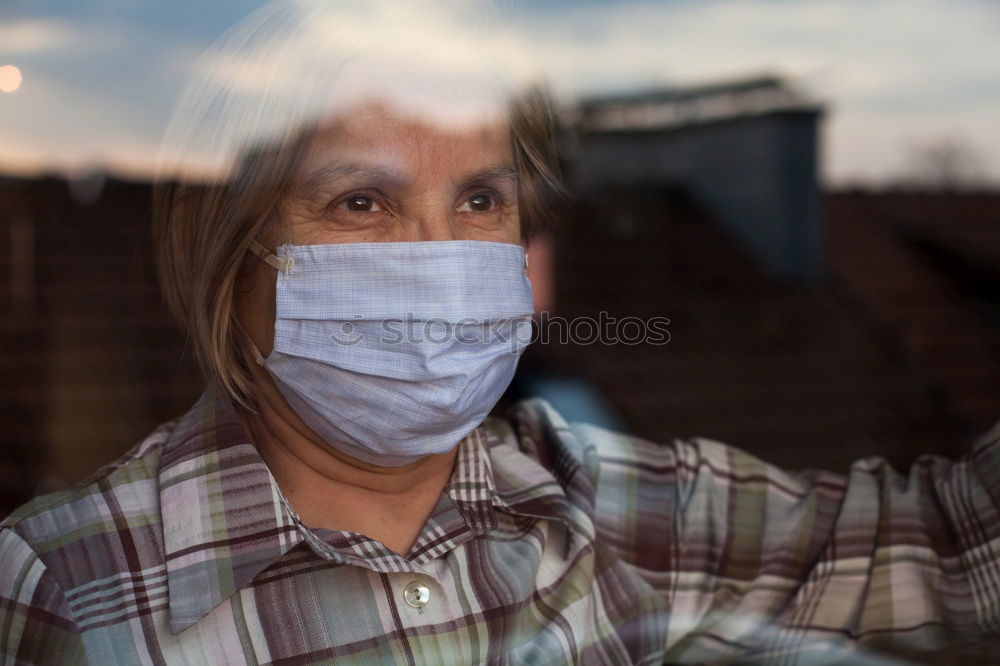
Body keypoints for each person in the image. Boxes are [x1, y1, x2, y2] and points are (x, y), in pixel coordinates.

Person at [2, 1, 999, 664]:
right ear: (233, 258)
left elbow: (953, 543)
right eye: (359, 202)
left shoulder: (614, 513)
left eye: (481, 197)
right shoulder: (68, 591)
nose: (437, 253)